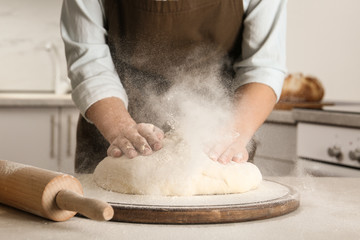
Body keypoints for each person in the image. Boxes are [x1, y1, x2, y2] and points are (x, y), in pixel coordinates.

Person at [61, 0, 287, 173]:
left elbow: (263, 66)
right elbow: (88, 59)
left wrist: (233, 132)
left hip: (217, 145)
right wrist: (120, 128)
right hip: (118, 142)